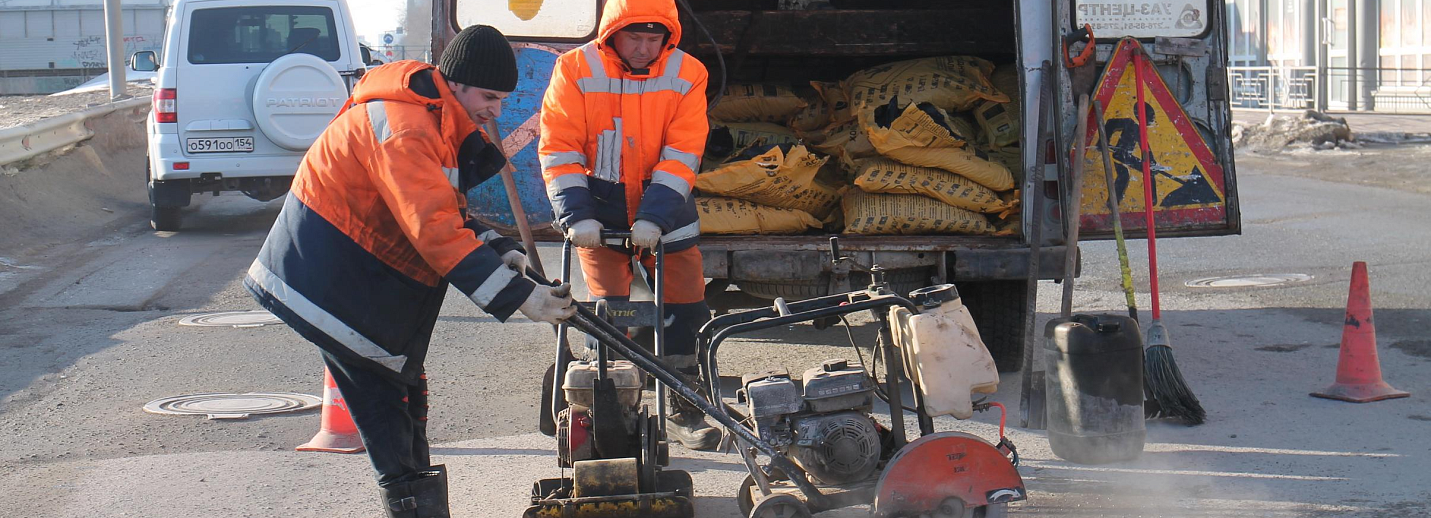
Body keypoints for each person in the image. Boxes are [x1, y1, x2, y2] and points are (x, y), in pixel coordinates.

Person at [245, 25, 576, 518]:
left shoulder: (435, 117)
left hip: (356, 278)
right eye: (489, 96)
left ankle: (418, 498)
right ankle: (411, 501)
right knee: (387, 417)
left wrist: (499, 249)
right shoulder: (405, 125)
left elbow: (445, 210)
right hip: (332, 284)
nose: (496, 111)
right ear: (457, 83)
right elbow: (433, 229)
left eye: (503, 99)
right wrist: (518, 297)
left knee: (406, 399)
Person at [538, 0, 718, 450]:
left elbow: (682, 152)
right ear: (612, 31)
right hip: (597, 209)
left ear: (668, 36)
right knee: (609, 310)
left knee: (686, 306)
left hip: (668, 207)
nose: (642, 48)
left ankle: (683, 403)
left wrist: (655, 217)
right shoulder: (574, 68)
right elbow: (560, 148)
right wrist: (576, 214)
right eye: (633, 37)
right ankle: (609, 405)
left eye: (653, 39)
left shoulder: (688, 72)